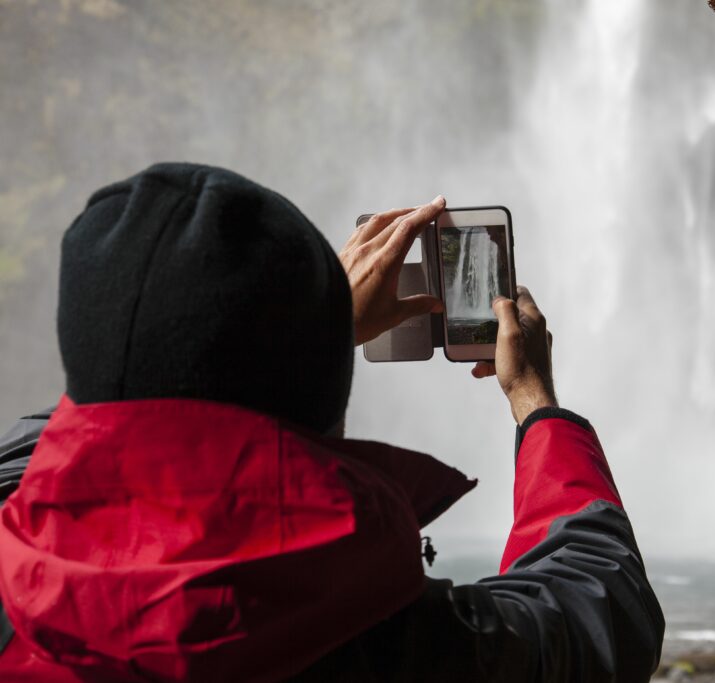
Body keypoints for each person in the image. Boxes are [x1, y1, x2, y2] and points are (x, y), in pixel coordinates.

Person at [0, 163, 664, 682]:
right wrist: (536, 402)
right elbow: (598, 607)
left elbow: (82, 435)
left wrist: (308, 333)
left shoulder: (15, 591)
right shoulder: (391, 645)